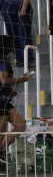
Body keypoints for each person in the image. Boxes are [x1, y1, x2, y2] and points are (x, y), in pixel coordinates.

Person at [0, 35, 30, 164]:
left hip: (5, 99)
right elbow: (4, 80)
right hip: (0, 101)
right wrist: (22, 79)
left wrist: (9, 91)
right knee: (1, 132)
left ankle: (1, 151)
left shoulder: (4, 60)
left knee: (20, 125)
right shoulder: (3, 61)